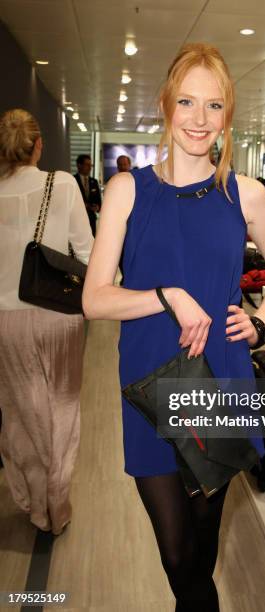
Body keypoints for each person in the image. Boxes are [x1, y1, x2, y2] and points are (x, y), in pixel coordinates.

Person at [83, 43, 265, 611]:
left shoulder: (245, 195)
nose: (199, 120)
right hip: (150, 387)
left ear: (228, 115)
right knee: (176, 556)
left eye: (214, 105)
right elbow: (94, 299)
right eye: (186, 102)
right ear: (165, 105)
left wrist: (260, 323)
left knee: (201, 551)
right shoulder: (130, 190)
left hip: (220, 381)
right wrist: (167, 295)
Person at [0, 109, 94, 535]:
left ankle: (34, 502)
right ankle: (57, 500)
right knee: (62, 409)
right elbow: (87, 253)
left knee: (20, 413)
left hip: (7, 321)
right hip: (59, 316)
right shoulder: (64, 184)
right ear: (38, 145)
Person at [74, 154, 102, 236]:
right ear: (79, 165)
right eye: (87, 165)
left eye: (91, 165)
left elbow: (99, 201)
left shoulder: (94, 181)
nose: (90, 168)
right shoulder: (73, 180)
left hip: (91, 220)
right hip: (77, 220)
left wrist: (97, 207)